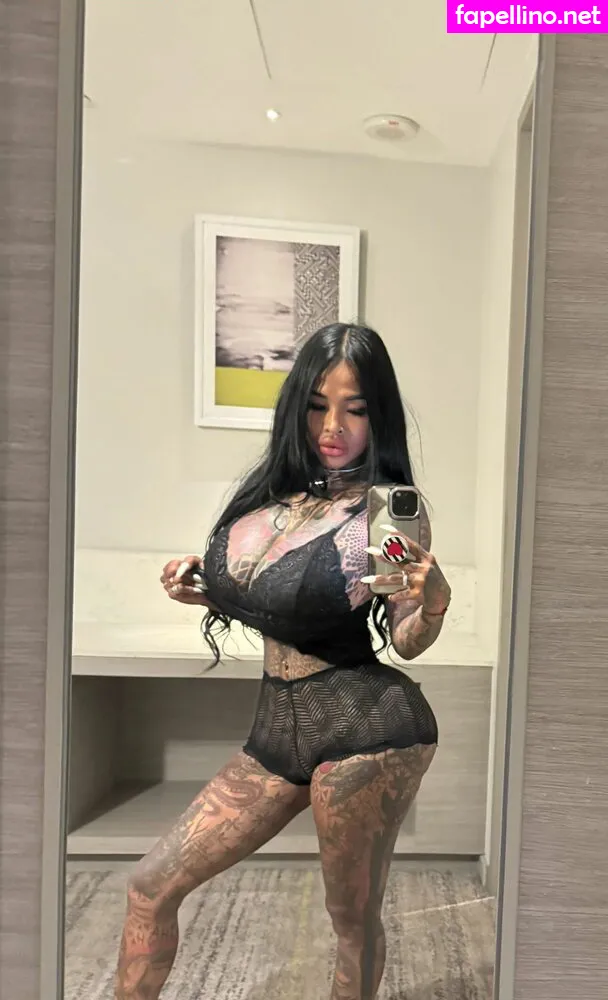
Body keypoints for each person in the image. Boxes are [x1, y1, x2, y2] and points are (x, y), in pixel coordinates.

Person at [114, 323, 451, 1000]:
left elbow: (404, 637)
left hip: (365, 731)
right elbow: (284, 607)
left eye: (355, 409)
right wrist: (205, 589)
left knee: (350, 920)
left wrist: (434, 603)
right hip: (275, 734)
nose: (333, 427)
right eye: (318, 405)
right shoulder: (271, 499)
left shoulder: (380, 520)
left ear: (378, 416)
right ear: (296, 404)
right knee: (149, 886)